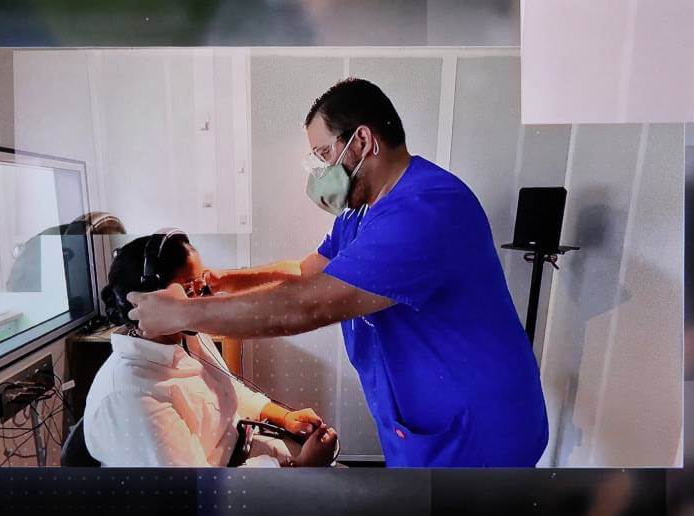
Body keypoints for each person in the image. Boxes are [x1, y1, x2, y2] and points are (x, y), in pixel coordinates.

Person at [125, 78, 549, 467]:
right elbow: (303, 271)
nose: (322, 171)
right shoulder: (362, 211)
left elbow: (308, 306)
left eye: (325, 154)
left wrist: (181, 314)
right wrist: (224, 280)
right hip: (425, 421)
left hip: (476, 427)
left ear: (362, 140)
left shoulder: (427, 209)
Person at [83, 231, 338, 467]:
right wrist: (300, 467)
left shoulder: (184, 336)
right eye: (189, 289)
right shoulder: (131, 395)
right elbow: (198, 492)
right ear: (149, 296)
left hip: (244, 452)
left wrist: (283, 417)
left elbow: (225, 390)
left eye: (201, 284)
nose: (203, 299)